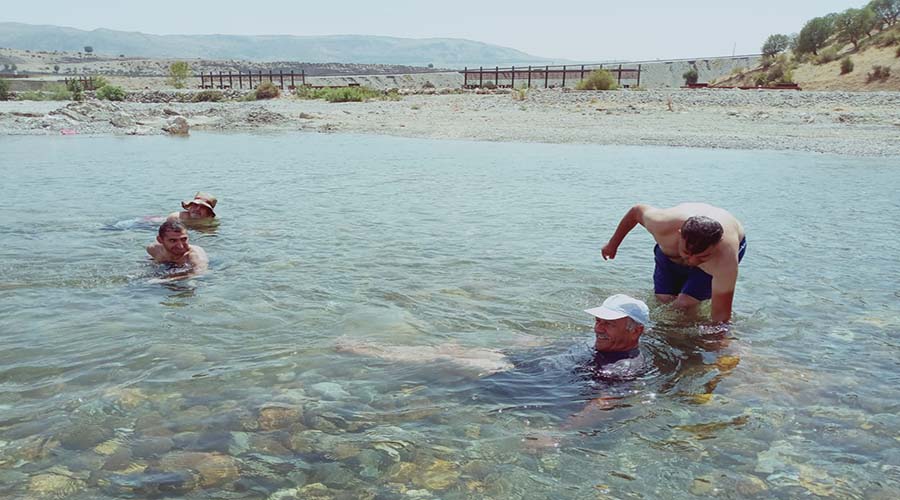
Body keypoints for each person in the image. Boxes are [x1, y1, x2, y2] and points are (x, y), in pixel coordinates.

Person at [601, 203, 746, 323]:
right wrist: (612, 245)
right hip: (669, 254)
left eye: (702, 257)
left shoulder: (725, 259)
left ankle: (686, 337)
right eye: (687, 253)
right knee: (664, 300)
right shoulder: (662, 225)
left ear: (717, 245)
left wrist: (719, 343)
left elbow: (721, 315)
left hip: (719, 252)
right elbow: (636, 211)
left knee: (684, 304)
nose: (693, 261)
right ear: (679, 234)